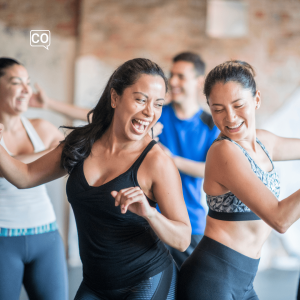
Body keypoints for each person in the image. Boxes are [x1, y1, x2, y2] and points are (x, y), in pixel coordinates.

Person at [0, 58, 191, 300]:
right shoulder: (81, 143)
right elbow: (24, 177)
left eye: (158, 104)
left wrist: (151, 214)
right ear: (115, 98)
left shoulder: (156, 161)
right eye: (141, 99)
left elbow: (183, 239)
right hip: (95, 285)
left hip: (146, 280)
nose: (149, 112)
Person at [177, 60, 300, 299]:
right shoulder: (224, 152)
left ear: (256, 100)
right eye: (218, 109)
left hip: (243, 281)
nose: (230, 118)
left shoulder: (266, 141)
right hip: (212, 280)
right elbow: (279, 219)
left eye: (238, 105)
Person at [0, 58, 68, 300]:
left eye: (28, 83)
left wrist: (50, 105)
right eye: (17, 83)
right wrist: (52, 153)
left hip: (46, 236)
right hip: (2, 239)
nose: (27, 90)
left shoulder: (41, 127)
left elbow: (84, 142)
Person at [157, 52, 220, 267]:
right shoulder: (155, 112)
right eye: (171, 75)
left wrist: (169, 159)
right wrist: (51, 104)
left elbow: (212, 171)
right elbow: (108, 115)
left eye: (180, 76)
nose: (172, 81)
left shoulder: (211, 124)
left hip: (190, 222)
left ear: (199, 82)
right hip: (150, 219)